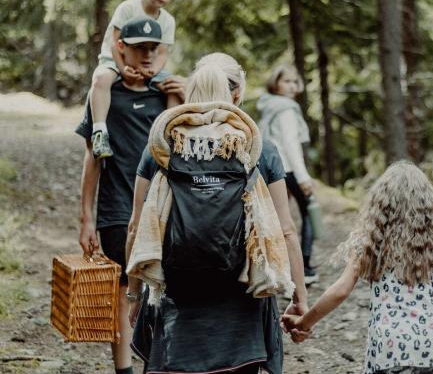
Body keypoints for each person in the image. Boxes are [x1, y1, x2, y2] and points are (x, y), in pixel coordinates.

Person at [126, 53, 308, 374]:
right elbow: (286, 230)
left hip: (176, 301)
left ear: (191, 90)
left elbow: (137, 227)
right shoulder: (258, 147)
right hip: (241, 302)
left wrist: (135, 294)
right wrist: (299, 299)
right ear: (237, 93)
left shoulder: (162, 144)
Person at [282, 161, 433, 374]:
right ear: (428, 204)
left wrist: (305, 323)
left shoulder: (370, 242)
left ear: (380, 204)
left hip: (387, 351)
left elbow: (339, 291)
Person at [76, 17, 183, 374]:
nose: (148, 55)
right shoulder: (105, 95)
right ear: (122, 47)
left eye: (154, 48)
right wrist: (86, 219)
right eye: (140, 48)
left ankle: (159, 364)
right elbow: (92, 157)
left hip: (167, 212)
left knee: (164, 289)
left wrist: (184, 98)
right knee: (122, 290)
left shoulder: (168, 92)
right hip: (117, 208)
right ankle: (124, 370)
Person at [90, 0, 183, 159]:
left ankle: (170, 135)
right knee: (101, 79)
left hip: (148, 65)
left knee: (172, 86)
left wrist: (154, 72)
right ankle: (99, 131)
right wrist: (122, 69)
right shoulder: (128, 8)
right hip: (114, 61)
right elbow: (116, 43)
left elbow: (163, 52)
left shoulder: (168, 20)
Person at [257, 64, 318, 283]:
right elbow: (291, 144)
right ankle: (306, 268)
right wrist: (303, 177)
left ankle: (273, 267)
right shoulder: (285, 109)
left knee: (274, 218)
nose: (292, 86)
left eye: (295, 81)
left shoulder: (268, 106)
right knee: (308, 212)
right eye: (286, 81)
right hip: (287, 168)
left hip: (270, 167)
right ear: (275, 83)